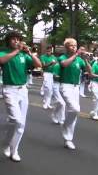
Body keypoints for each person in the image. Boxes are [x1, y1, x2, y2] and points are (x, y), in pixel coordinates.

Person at [0, 31, 42, 162]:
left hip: (23, 90)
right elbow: (1, 60)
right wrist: (17, 51)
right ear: (8, 41)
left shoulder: (24, 55)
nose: (16, 41)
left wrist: (29, 53)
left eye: (18, 39)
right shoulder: (4, 52)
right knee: (16, 120)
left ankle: (14, 149)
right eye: (13, 39)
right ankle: (6, 144)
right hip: (9, 90)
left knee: (20, 123)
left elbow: (38, 64)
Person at [58, 38, 91, 150]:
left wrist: (86, 60)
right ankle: (65, 127)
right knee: (75, 109)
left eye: (75, 45)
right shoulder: (63, 57)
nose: (74, 47)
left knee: (74, 113)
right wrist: (76, 55)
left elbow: (90, 72)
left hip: (76, 87)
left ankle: (68, 139)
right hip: (65, 86)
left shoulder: (79, 60)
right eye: (72, 45)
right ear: (66, 47)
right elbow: (64, 64)